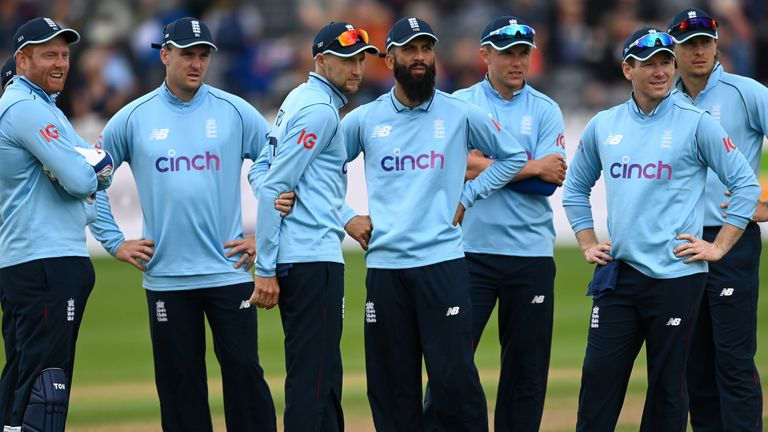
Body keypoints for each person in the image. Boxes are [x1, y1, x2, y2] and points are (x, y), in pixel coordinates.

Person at [562, 26, 761, 431]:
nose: (659, 71)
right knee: (598, 381)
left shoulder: (696, 122)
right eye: (648, 63)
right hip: (619, 276)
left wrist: (718, 246)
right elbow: (575, 189)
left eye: (666, 62)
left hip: (677, 278)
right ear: (627, 69)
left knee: (669, 391)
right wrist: (586, 240)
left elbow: (745, 184)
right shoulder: (605, 124)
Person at [87, 17, 282, 432]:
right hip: (167, 279)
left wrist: (262, 238)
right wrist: (114, 241)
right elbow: (90, 181)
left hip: (228, 272)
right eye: (187, 54)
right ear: (165, 55)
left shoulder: (235, 111)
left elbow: (277, 171)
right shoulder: (132, 118)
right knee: (180, 388)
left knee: (245, 375)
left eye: (203, 55)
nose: (196, 64)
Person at [341, 16, 528, 431]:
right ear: (390, 59)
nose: (421, 57)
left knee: (453, 381)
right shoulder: (365, 119)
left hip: (442, 265)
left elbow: (512, 157)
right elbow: (318, 168)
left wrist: (469, 196)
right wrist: (346, 216)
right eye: (410, 50)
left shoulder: (459, 112)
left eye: (427, 49)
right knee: (391, 386)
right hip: (386, 269)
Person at [248, 21, 379, 432]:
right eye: (346, 60)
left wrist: (340, 215)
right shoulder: (321, 111)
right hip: (311, 260)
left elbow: (264, 171)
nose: (357, 68)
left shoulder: (299, 98)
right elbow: (274, 186)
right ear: (321, 61)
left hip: (304, 257)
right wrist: (265, 269)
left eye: (361, 58)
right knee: (315, 380)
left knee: (320, 375)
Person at [450, 15, 567, 431]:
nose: (518, 61)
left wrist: (486, 164)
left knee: (526, 372)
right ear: (485, 55)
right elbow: (455, 168)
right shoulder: (460, 105)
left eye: (524, 53)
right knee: (452, 364)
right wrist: (528, 165)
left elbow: (549, 184)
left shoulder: (545, 109)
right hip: (468, 253)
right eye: (508, 53)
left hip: (529, 255)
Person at [0, 17, 113, 431]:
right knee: (45, 386)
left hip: (40, 258)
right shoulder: (25, 108)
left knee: (24, 376)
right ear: (23, 58)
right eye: (49, 53)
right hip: (44, 260)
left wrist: (87, 173)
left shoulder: (45, 109)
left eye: (65, 54)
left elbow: (101, 174)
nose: (61, 62)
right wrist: (85, 173)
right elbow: (87, 176)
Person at [666, 8, 768, 430]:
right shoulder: (663, 99)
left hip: (730, 238)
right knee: (694, 365)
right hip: (680, 243)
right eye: (689, 44)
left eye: (705, 42)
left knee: (733, 358)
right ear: (674, 48)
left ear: (717, 42)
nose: (699, 51)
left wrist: (766, 203)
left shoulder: (747, 92)